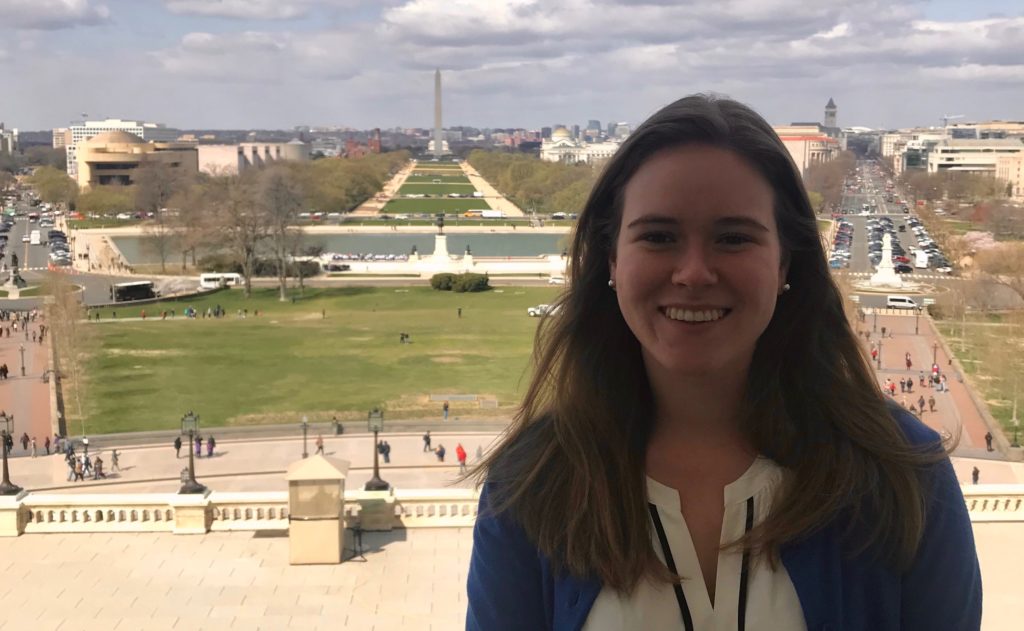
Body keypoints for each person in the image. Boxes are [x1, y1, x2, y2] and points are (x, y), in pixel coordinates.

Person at [465, 95, 981, 631]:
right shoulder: (531, 485)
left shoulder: (902, 475)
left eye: (732, 238)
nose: (693, 273)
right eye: (659, 237)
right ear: (612, 260)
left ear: (785, 263)